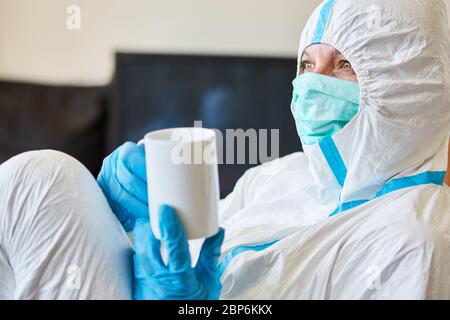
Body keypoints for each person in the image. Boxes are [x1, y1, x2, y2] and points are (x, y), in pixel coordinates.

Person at [0, 0, 449, 299]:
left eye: (345, 65)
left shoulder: (414, 241)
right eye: (308, 64)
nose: (312, 83)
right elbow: (195, 250)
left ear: (412, 88)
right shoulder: (282, 176)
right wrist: (130, 220)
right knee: (47, 176)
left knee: (37, 181)